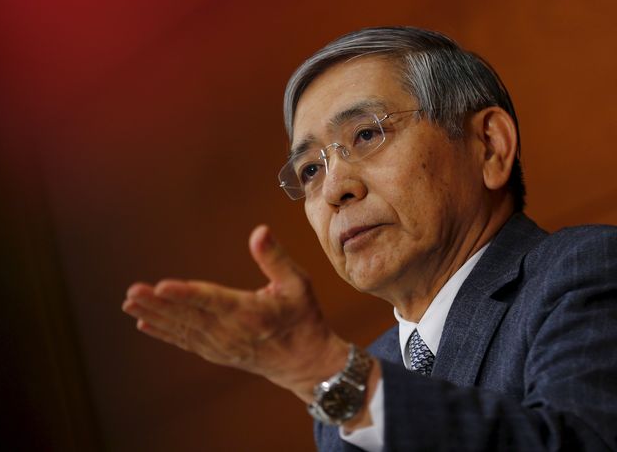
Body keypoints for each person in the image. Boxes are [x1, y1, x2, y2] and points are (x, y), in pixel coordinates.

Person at [121, 27, 617, 450]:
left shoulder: (585, 271)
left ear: (488, 146)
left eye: (366, 135)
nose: (336, 188)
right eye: (311, 169)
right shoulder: (360, 379)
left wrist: (332, 373)